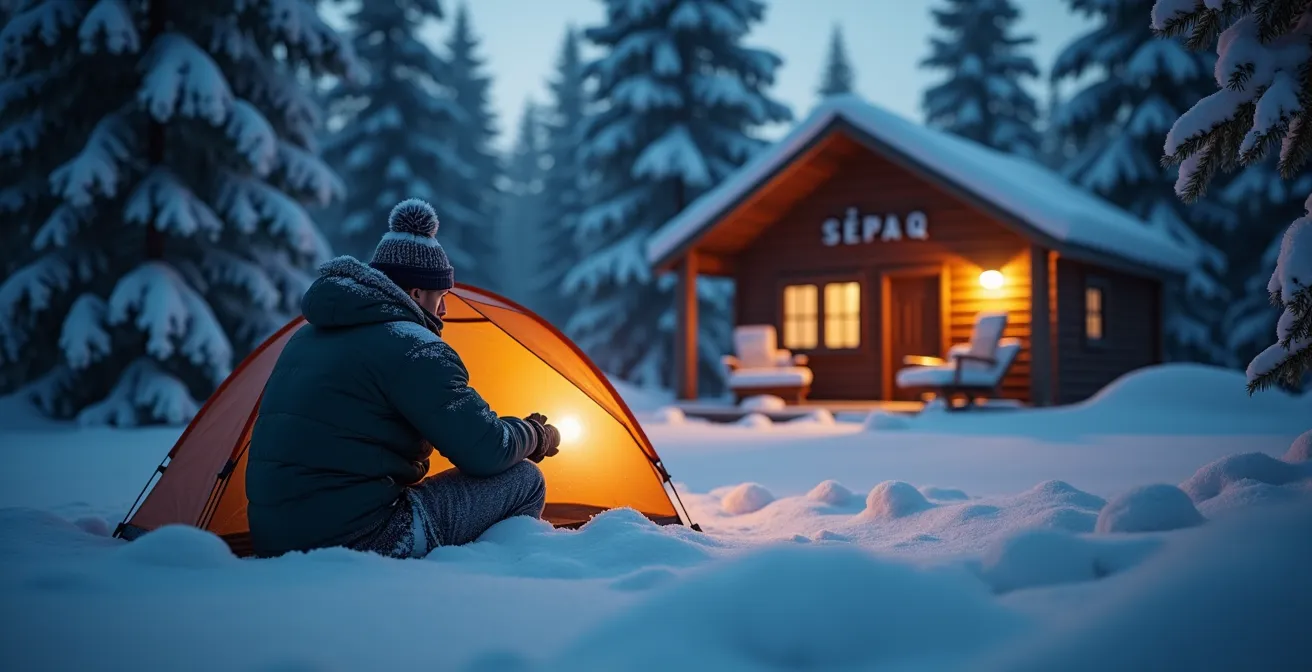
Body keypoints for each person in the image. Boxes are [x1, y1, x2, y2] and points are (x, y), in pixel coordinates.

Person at [246, 198, 562, 559]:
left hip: (274, 538)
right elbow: (487, 452)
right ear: (416, 293)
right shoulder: (411, 346)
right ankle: (488, 581)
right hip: (361, 540)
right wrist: (536, 435)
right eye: (441, 296)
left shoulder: (307, 335)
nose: (444, 309)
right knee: (523, 479)